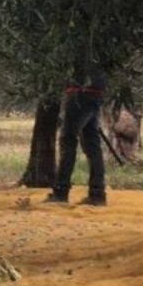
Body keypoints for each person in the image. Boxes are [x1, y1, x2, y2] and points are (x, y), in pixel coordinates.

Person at [46, 47, 107, 206]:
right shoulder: (101, 43)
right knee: (92, 145)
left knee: (67, 140)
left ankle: (60, 192)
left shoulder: (78, 40)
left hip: (79, 94)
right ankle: (97, 194)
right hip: (95, 94)